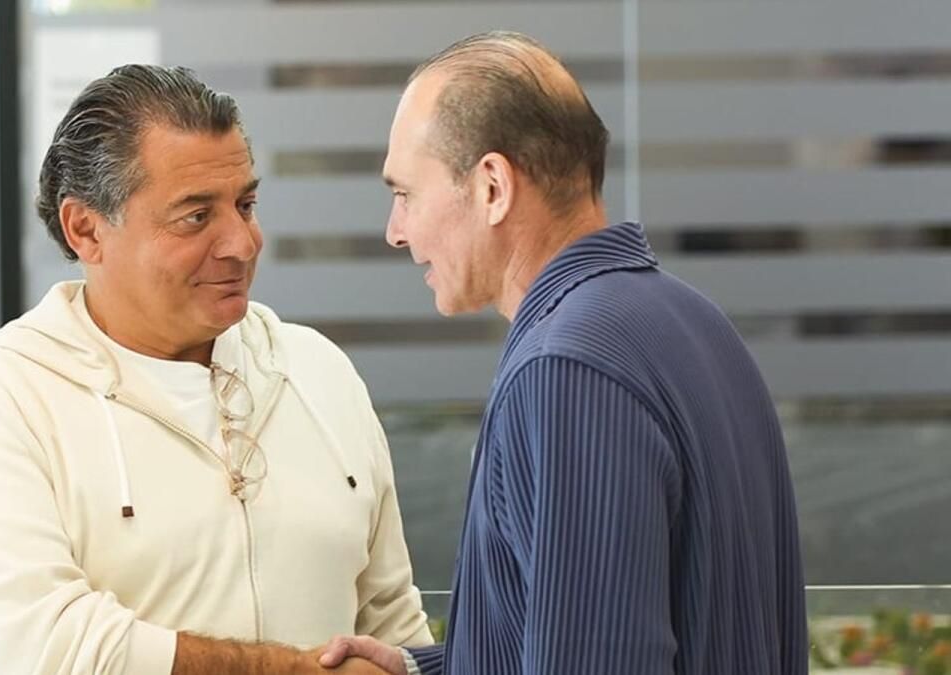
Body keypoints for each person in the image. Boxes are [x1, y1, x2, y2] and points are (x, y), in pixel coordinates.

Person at [0, 64, 432, 675]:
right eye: (195, 216)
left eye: (246, 204)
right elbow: (39, 652)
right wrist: (297, 672)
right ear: (86, 229)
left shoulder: (318, 370)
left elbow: (395, 626)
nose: (242, 243)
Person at [319, 31, 808, 675]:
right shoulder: (696, 322)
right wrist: (420, 668)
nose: (396, 231)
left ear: (492, 186)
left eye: (405, 194)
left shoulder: (566, 368)